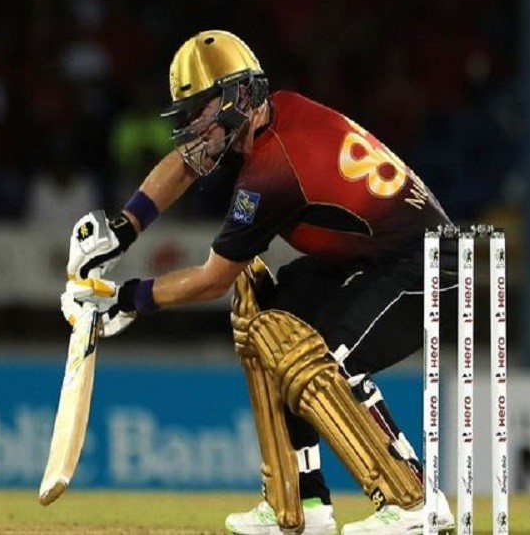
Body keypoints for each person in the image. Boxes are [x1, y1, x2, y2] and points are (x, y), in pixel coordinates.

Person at [61, 30, 457, 535]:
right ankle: (301, 505)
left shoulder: (272, 170)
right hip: (377, 257)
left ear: (237, 97)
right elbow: (186, 166)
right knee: (270, 317)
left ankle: (415, 501)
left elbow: (212, 280)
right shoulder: (278, 112)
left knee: (324, 361)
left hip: (430, 269)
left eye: (201, 110)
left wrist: (126, 299)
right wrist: (122, 229)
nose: (192, 127)